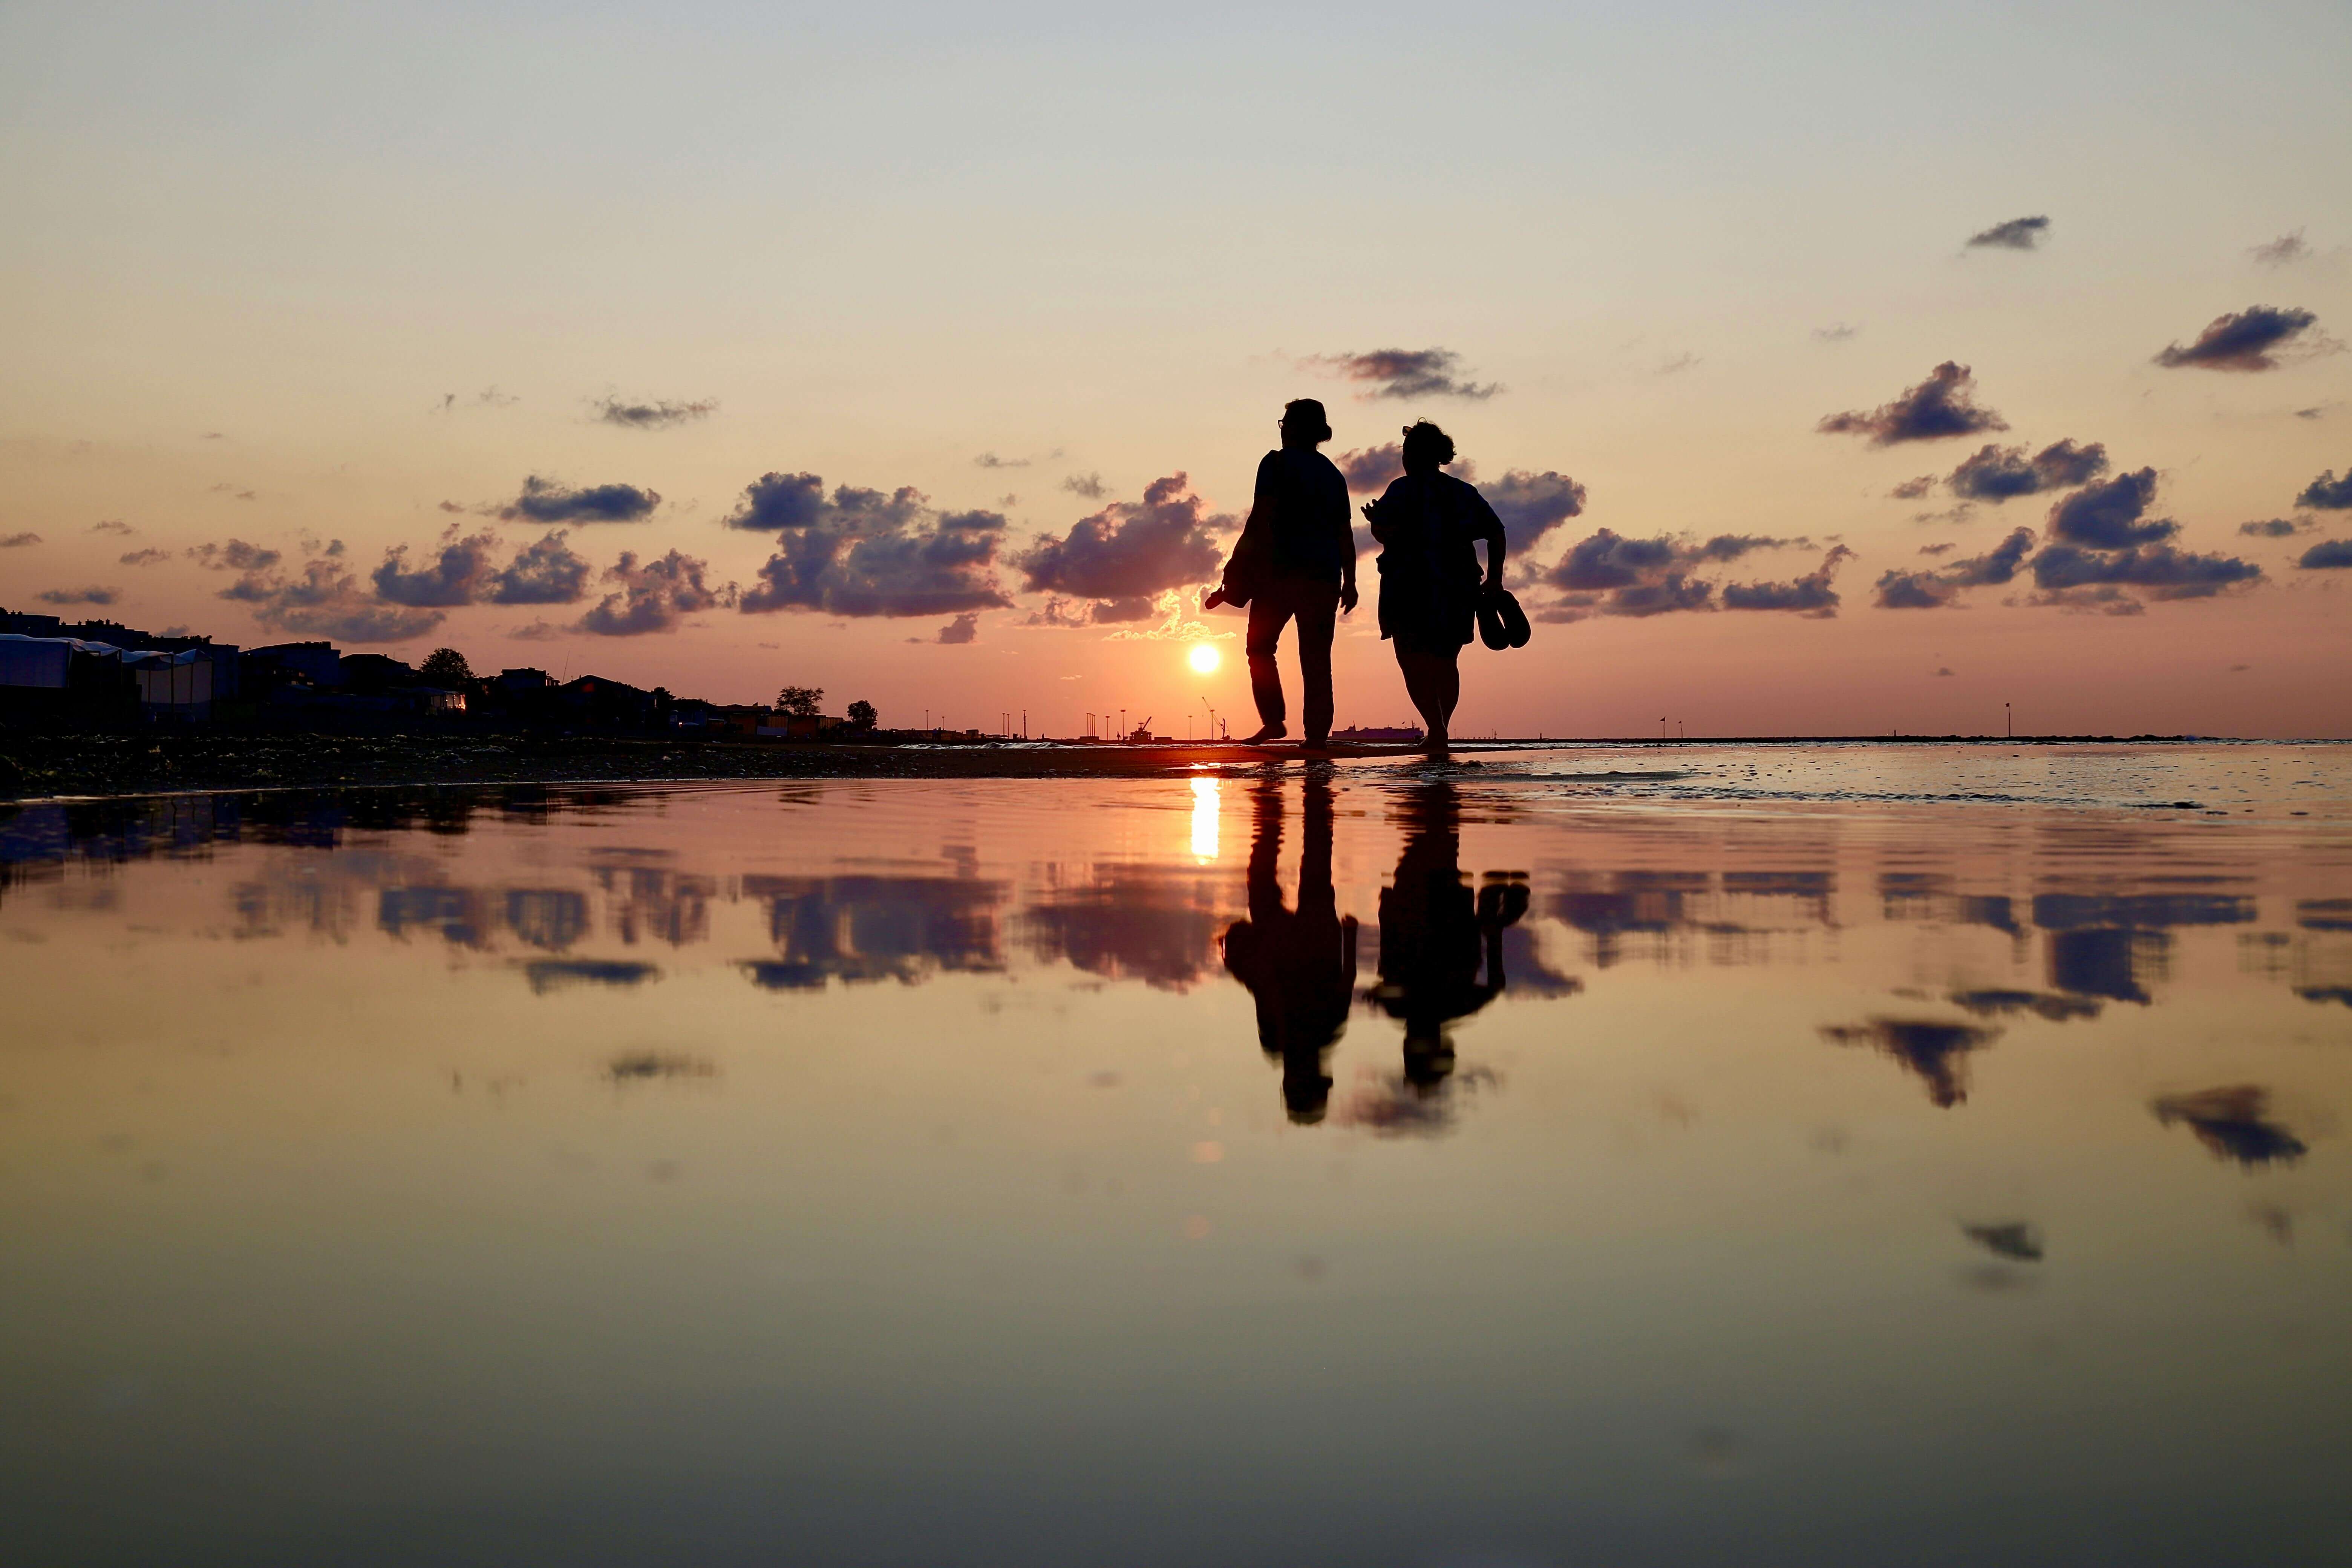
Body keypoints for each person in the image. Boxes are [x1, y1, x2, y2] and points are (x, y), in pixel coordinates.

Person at [1206, 399, 1357, 746]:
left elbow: (1260, 517)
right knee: (1317, 659)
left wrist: (1236, 560)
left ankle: (1274, 721)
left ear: (1294, 428)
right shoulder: (1333, 475)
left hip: (1279, 573)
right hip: (1323, 575)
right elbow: (1343, 533)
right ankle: (1316, 736)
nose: (1283, 428)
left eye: (1285, 422)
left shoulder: (1275, 463)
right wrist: (1349, 581)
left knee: (1259, 648)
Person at [1363, 781, 1527, 1093]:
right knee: (1437, 837)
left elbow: (1496, 986)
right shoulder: (1412, 1007)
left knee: (1437, 837)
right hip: (1433, 906)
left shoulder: (1446, 1006)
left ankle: (1438, 776)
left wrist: (1491, 931)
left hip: (1433, 906)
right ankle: (1438, 775)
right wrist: (1491, 931)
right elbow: (1386, 956)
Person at [1219, 773, 1357, 1122]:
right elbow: (1344, 982)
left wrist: (1349, 937)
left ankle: (1285, 808)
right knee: (1303, 867)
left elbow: (1344, 980)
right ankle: (1288, 807)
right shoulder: (1304, 1037)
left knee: (1311, 863)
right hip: (1305, 942)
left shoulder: (1300, 1038)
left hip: (1300, 943)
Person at [1360, 421, 1505, 749]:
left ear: (1415, 455)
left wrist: (1378, 524)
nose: (1404, 458)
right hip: (1455, 585)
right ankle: (1440, 729)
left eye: (1406, 451)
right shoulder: (1462, 492)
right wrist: (1494, 577)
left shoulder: (1401, 489)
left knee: (1411, 659)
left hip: (1409, 585)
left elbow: (1386, 535)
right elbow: (1496, 532)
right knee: (1445, 661)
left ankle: (1436, 727)